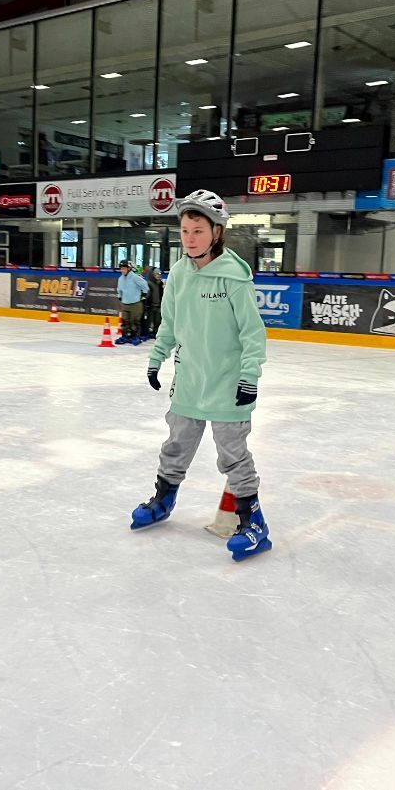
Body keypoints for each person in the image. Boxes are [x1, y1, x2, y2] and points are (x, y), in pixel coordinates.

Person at [131, 189, 270, 562]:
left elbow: (252, 334)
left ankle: (253, 523)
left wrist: (249, 376)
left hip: (228, 382)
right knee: (176, 445)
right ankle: (163, 500)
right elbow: (170, 323)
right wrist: (156, 358)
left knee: (233, 455)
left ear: (216, 232)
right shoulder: (179, 273)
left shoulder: (233, 276)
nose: (190, 238)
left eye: (198, 231)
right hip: (190, 379)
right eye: (185, 231)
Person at [115, 260, 149, 345]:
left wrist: (144, 294)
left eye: (124, 268)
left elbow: (144, 285)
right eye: (121, 269)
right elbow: (119, 289)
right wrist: (120, 296)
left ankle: (135, 336)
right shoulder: (120, 279)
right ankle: (125, 336)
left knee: (135, 321)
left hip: (135, 303)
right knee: (125, 321)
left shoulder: (135, 277)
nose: (122, 270)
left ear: (129, 268)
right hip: (125, 303)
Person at [142, 266, 164, 339]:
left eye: (159, 274)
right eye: (157, 274)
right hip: (151, 306)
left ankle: (155, 332)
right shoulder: (149, 283)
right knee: (149, 320)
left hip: (158, 305)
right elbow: (147, 295)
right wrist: (146, 303)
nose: (158, 276)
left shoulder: (160, 283)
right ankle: (147, 333)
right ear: (153, 275)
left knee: (157, 320)